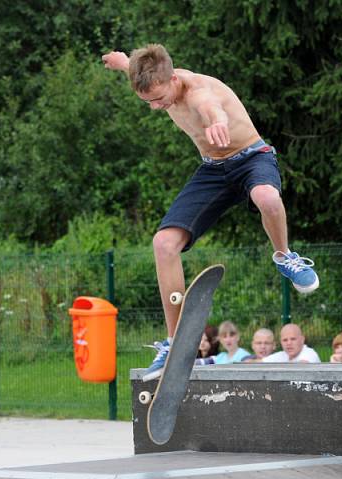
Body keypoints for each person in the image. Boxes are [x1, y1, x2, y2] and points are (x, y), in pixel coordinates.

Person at [102, 44, 319, 381]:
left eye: (159, 99)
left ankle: (284, 255)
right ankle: (174, 343)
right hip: (214, 171)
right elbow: (138, 66)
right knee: (163, 244)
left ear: (174, 79)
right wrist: (122, 63)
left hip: (252, 158)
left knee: (267, 197)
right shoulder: (154, 76)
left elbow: (211, 107)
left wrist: (217, 121)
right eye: (148, 102)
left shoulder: (199, 91)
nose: (156, 107)